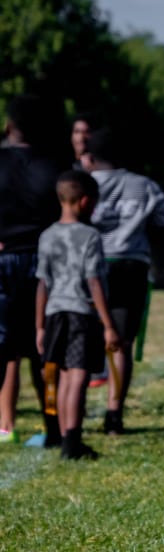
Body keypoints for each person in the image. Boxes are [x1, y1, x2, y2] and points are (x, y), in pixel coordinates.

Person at [79, 128, 164, 435]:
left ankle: (72, 413)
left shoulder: (81, 183)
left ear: (90, 156)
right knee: (122, 342)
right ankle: (114, 414)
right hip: (131, 264)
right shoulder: (145, 185)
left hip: (90, 266)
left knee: (83, 339)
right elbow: (161, 224)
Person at [35, 170, 119, 460]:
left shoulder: (46, 235)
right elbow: (94, 280)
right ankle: (73, 443)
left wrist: (39, 328)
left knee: (64, 376)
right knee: (79, 378)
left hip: (54, 314)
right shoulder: (90, 235)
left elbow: (42, 283)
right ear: (85, 202)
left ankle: (63, 437)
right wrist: (108, 325)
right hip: (82, 313)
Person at [0, 95, 62, 446]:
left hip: (4, 260)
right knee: (44, 347)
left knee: (4, 347)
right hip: (43, 262)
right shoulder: (53, 165)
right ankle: (52, 425)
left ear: (9, 126)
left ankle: (5, 424)